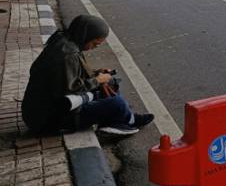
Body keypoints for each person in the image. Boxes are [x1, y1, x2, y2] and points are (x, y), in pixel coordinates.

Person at [22, 15, 154, 136]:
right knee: (116, 103)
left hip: (41, 114)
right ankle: (125, 119)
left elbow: (69, 75)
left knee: (110, 84)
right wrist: (97, 80)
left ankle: (126, 117)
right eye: (94, 43)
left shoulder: (64, 41)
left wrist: (97, 75)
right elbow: (70, 87)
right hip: (50, 120)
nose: (94, 47)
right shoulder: (68, 54)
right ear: (85, 36)